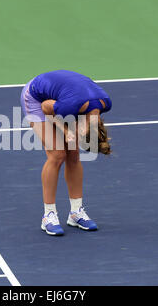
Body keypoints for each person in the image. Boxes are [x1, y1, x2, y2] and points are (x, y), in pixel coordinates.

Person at [20, 70, 112, 236]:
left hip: (68, 97)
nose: (78, 137)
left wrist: (72, 133)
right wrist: (65, 129)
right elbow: (45, 107)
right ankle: (48, 215)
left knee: (73, 154)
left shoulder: (105, 104)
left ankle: (76, 212)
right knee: (57, 154)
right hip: (36, 97)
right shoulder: (69, 107)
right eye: (81, 134)